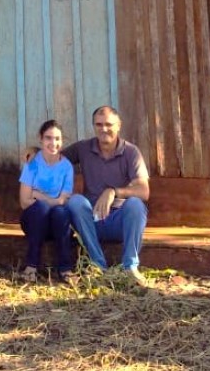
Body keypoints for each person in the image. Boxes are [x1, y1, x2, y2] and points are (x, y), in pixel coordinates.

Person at [63, 105, 150, 284]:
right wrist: (33, 152)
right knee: (76, 201)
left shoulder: (131, 152)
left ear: (119, 125)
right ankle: (97, 265)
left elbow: (144, 190)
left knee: (136, 205)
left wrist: (114, 191)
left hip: (118, 221)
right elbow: (53, 157)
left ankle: (130, 267)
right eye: (99, 124)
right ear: (94, 126)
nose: (104, 129)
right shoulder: (83, 148)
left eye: (109, 124)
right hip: (90, 222)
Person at [18, 119, 76, 284]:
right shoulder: (32, 164)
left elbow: (63, 200)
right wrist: (50, 201)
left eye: (57, 139)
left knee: (61, 213)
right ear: (41, 139)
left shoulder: (66, 167)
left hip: (56, 223)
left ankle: (65, 268)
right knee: (41, 209)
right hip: (33, 221)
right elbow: (24, 202)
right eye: (48, 138)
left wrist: (38, 195)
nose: (53, 143)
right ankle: (31, 266)